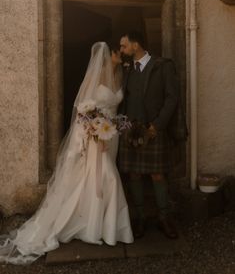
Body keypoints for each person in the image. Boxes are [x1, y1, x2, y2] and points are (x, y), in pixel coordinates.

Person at [0, 42, 133, 265]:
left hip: (112, 135)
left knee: (99, 176)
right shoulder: (96, 75)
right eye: (117, 51)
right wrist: (94, 130)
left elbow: (116, 106)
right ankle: (104, 227)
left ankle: (97, 222)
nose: (120, 53)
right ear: (109, 55)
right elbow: (83, 108)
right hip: (96, 136)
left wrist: (113, 127)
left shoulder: (120, 74)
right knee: (105, 176)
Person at [118, 31, 179, 239]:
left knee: (158, 174)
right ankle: (140, 218)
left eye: (124, 46)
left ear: (135, 45)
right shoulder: (126, 70)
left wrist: (157, 125)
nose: (122, 50)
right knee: (134, 174)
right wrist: (122, 126)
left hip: (154, 129)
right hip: (130, 130)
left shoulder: (163, 66)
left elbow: (172, 98)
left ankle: (163, 218)